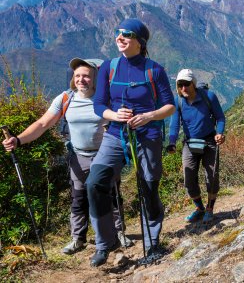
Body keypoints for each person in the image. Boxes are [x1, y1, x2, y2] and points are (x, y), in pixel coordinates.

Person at [1, 57, 133, 255]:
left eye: (86, 76)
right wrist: (18, 140)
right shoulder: (65, 98)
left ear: (96, 78)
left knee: (110, 195)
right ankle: (78, 238)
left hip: (104, 155)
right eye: (77, 75)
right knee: (78, 197)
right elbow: (42, 124)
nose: (81, 80)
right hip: (77, 156)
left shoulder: (106, 99)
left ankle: (118, 233)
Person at [86, 18, 175, 267]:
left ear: (140, 42)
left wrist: (148, 116)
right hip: (115, 134)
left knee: (149, 187)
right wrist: (115, 115)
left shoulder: (154, 70)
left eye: (127, 34)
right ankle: (106, 243)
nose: (120, 37)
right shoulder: (108, 67)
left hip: (148, 136)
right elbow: (99, 104)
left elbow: (170, 106)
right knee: (95, 183)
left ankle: (153, 242)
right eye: (118, 32)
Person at [167, 69, 226, 224]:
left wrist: (219, 133)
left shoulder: (209, 97)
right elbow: (174, 124)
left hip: (209, 141)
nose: (183, 88)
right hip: (190, 143)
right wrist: (172, 142)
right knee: (188, 179)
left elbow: (220, 118)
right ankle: (199, 208)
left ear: (193, 84)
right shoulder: (179, 101)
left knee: (212, 177)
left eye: (186, 84)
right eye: (180, 85)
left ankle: (209, 209)